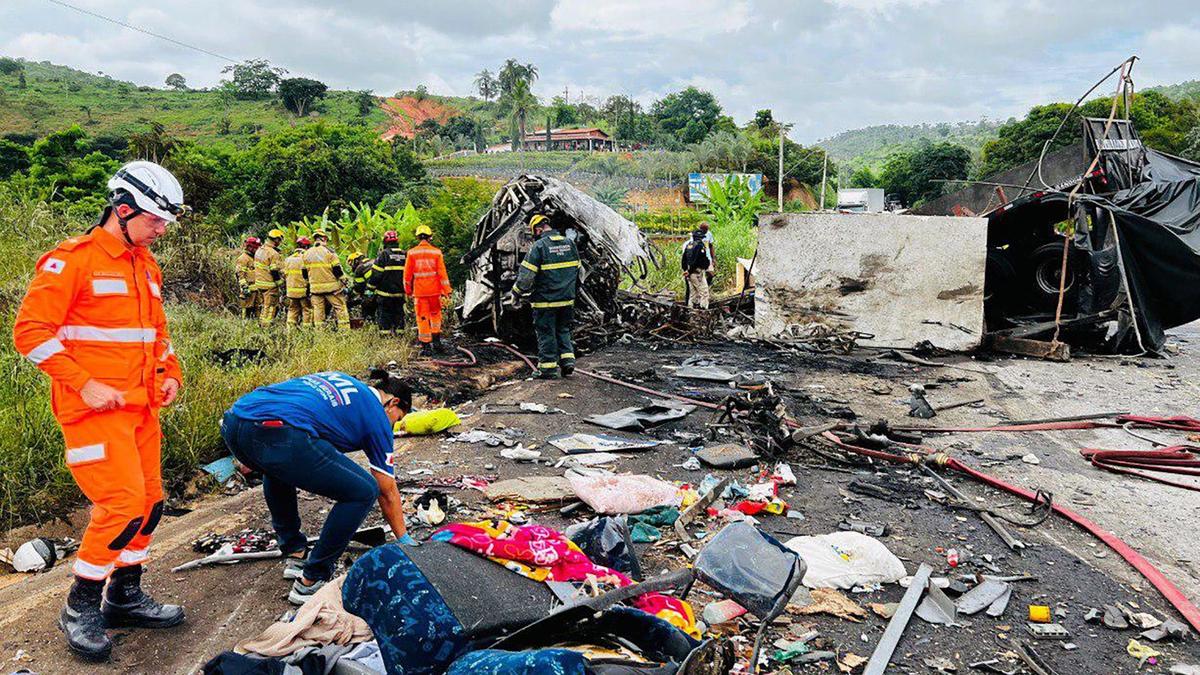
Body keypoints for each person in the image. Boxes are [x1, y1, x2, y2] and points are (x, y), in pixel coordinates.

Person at [13, 161, 188, 660]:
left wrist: (170, 373)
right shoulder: (72, 261)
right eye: (154, 219)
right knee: (122, 506)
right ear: (124, 209)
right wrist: (84, 384)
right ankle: (80, 606)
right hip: (93, 413)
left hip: (141, 409)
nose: (161, 230)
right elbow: (30, 332)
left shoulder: (145, 265)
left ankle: (124, 596)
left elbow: (156, 333)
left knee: (150, 504)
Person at [219, 369, 415, 605]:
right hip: (278, 432)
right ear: (393, 402)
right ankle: (312, 580)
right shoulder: (376, 415)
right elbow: (387, 490)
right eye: (397, 418)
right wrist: (404, 539)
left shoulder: (342, 379)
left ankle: (295, 552)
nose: (393, 425)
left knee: (277, 467)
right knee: (364, 491)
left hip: (235, 422)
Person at [512, 214, 580, 379]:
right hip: (567, 300)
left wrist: (516, 293)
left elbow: (526, 277)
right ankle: (567, 362)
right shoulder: (570, 243)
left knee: (546, 333)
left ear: (538, 230)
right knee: (563, 330)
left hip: (545, 302)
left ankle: (548, 369)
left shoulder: (539, 247)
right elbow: (578, 271)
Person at [403, 224, 452, 354]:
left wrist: (408, 291)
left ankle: (426, 347)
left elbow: (407, 276)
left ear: (418, 237)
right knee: (435, 316)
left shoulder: (412, 253)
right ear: (430, 237)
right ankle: (437, 342)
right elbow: (442, 274)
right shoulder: (436, 252)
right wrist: (447, 291)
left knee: (422, 317)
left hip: (420, 293)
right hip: (435, 292)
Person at [304, 229, 350, 330]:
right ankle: (344, 331)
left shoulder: (307, 253)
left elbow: (304, 273)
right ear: (324, 239)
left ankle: (319, 332)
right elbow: (337, 269)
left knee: (318, 311)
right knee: (340, 307)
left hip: (315, 288)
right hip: (331, 288)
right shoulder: (329, 252)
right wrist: (344, 281)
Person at [367, 230, 408, 335]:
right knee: (399, 314)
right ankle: (400, 334)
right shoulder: (404, 254)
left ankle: (385, 336)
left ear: (385, 241)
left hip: (385, 293)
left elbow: (376, 274)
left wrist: (370, 288)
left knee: (384, 315)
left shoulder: (384, 255)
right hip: (400, 293)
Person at [255, 229, 285, 326]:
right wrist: (280, 282)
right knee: (270, 307)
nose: (280, 243)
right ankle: (266, 327)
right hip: (269, 285)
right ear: (276, 239)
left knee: (264, 306)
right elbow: (274, 270)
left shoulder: (260, 250)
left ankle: (261, 323)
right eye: (279, 240)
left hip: (259, 283)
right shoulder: (273, 253)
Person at [283, 237, 312, 329]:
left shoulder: (288, 259)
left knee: (292, 310)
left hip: (291, 291)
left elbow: (285, 275)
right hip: (303, 291)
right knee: (307, 310)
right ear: (306, 247)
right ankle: (307, 330)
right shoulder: (306, 258)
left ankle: (290, 330)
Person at [682, 228, 711, 310]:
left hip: (690, 273)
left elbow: (684, 260)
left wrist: (686, 270)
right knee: (704, 292)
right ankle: (703, 310)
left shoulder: (689, 245)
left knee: (693, 293)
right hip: (697, 272)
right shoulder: (699, 246)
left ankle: (690, 310)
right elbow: (697, 261)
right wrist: (690, 271)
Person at [236, 236, 261, 320]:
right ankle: (244, 325)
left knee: (258, 310)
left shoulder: (255, 258)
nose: (257, 250)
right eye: (255, 248)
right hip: (248, 290)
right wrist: (244, 287)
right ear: (249, 247)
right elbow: (240, 274)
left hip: (257, 290)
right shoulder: (243, 259)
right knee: (246, 310)